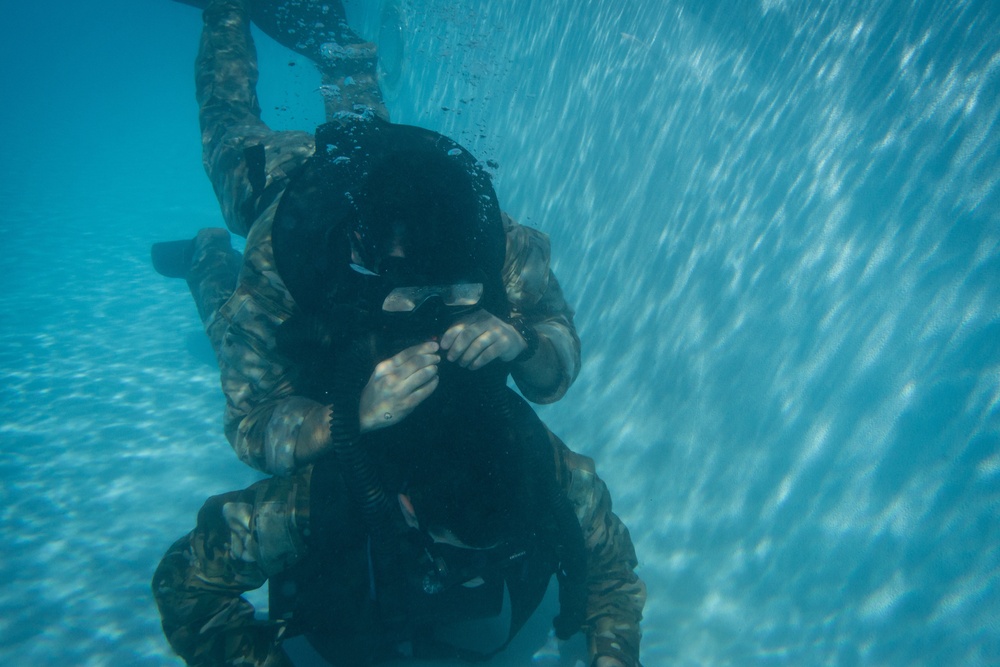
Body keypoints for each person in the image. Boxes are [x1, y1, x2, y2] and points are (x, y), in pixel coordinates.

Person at [155, 0, 582, 477]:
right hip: (275, 180)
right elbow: (251, 420)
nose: (422, 292)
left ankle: (346, 60)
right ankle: (225, 11)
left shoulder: (491, 234)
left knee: (363, 127)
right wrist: (342, 418)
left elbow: (558, 349)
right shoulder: (282, 256)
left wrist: (523, 340)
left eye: (440, 269)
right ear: (357, 244)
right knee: (226, 128)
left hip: (378, 156)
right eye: (401, 270)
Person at [152, 354, 645, 667]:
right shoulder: (316, 497)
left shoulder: (555, 479)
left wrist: (612, 655)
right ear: (406, 505)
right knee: (239, 333)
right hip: (321, 380)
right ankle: (208, 260)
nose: (472, 572)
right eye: (457, 551)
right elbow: (185, 583)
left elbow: (612, 574)